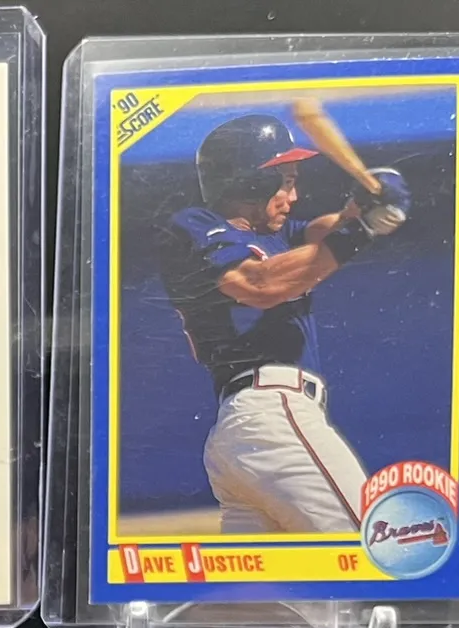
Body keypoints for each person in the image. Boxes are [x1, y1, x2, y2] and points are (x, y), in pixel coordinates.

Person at [156, 112, 411, 534]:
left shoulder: (279, 236)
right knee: (369, 547)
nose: (294, 195)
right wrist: (362, 228)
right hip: (270, 413)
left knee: (277, 578)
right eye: (286, 181)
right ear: (250, 182)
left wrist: (371, 204)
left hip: (250, 432)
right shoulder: (196, 226)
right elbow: (260, 284)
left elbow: (332, 230)